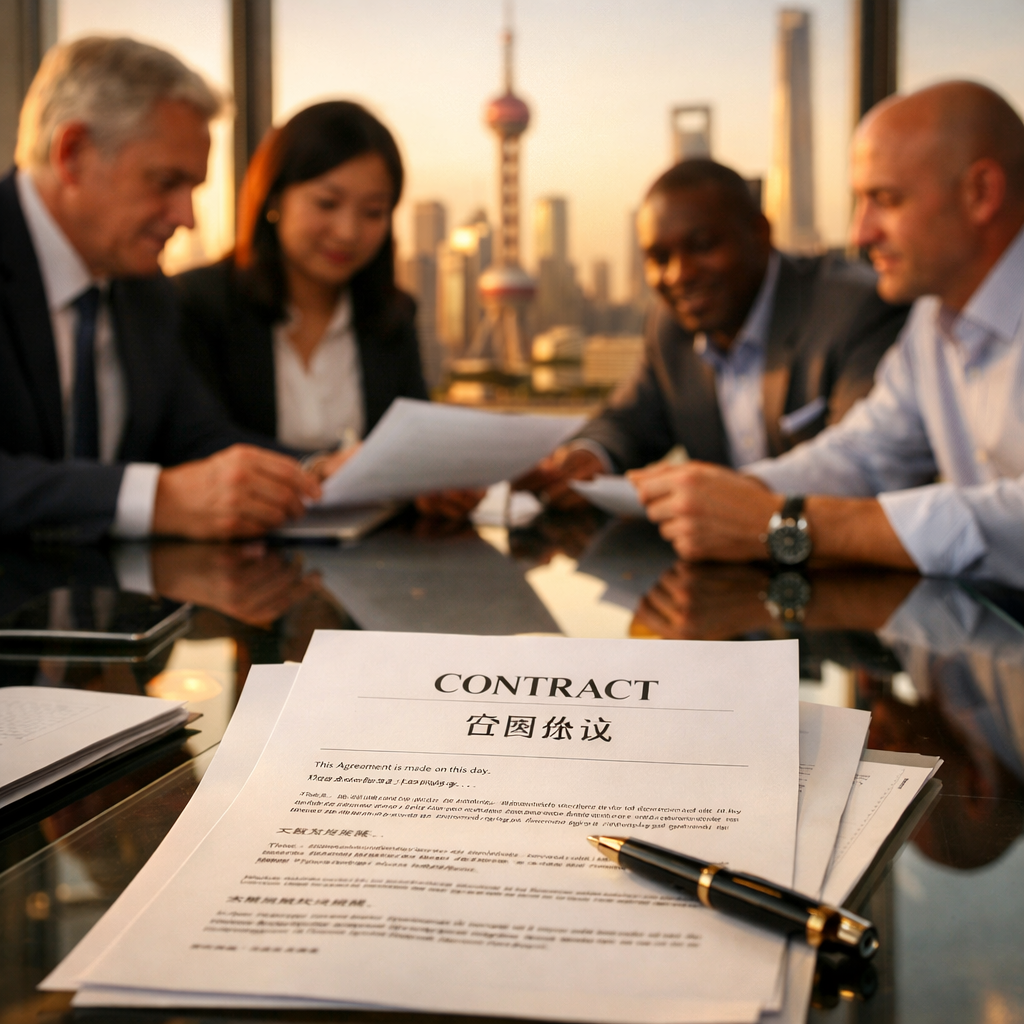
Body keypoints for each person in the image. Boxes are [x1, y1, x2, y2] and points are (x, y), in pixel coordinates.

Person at [629, 82, 1024, 587]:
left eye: (886, 199)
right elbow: (866, 454)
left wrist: (789, 525)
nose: (861, 233)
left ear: (981, 193)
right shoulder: (932, 323)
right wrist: (725, 499)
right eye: (861, 203)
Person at [0, 36, 326, 541]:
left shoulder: (144, 289)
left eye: (193, 189)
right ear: (73, 154)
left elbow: (198, 438)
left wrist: (320, 472)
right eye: (166, 182)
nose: (187, 218)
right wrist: (156, 499)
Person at [519, 159, 908, 506]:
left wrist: (731, 501)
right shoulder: (669, 327)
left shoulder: (853, 308)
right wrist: (588, 458)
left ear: (759, 234)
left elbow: (862, 466)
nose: (679, 274)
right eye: (659, 259)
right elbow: (629, 420)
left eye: (702, 246)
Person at [175, 100, 480, 519]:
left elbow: (411, 442)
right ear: (274, 198)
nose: (348, 232)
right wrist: (316, 468)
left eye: (373, 212)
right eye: (327, 204)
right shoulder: (200, 302)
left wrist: (431, 483)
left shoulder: (393, 315)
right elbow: (195, 438)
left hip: (373, 567)